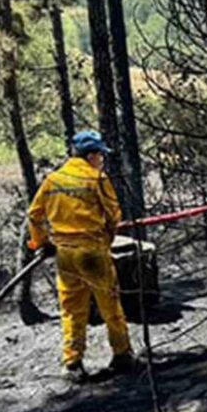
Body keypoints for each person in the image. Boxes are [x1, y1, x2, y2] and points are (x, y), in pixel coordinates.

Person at [27, 131, 135, 381]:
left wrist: (41, 242)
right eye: (101, 155)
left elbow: (34, 215)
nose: (102, 160)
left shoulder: (52, 180)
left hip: (65, 255)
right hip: (93, 252)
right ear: (91, 155)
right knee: (110, 306)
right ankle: (122, 355)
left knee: (72, 310)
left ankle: (72, 362)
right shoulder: (96, 178)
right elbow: (114, 214)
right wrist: (107, 239)